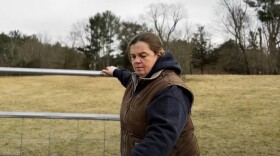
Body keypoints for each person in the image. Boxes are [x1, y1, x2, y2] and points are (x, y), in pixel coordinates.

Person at [101, 32, 199, 156]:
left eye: (143, 55)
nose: (136, 61)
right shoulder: (143, 79)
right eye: (133, 56)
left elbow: (158, 142)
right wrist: (115, 71)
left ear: (159, 55)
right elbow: (129, 79)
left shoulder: (170, 90)